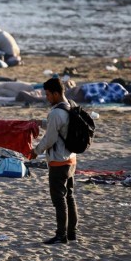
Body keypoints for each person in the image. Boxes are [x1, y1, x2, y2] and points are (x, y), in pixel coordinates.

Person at [29, 78, 78, 245]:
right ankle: (72, 233)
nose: (47, 97)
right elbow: (58, 127)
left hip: (59, 162)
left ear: (56, 93)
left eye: (48, 94)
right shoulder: (70, 105)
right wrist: (40, 123)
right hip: (71, 159)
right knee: (69, 197)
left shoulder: (56, 112)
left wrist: (35, 152)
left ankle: (60, 235)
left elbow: (49, 139)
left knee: (59, 200)